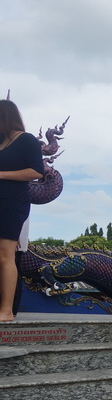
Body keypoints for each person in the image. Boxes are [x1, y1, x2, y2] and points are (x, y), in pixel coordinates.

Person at [0, 100, 45, 322]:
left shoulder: (26, 140)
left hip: (11, 202)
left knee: (5, 254)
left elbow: (36, 171)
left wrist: (1, 174)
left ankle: (6, 311)